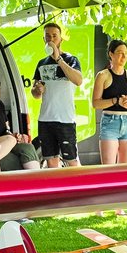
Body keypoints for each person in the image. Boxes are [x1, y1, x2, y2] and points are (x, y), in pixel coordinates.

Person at [30, 22, 84, 167]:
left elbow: (78, 80)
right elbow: (35, 93)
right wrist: (37, 89)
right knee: (50, 159)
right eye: (48, 36)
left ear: (61, 39)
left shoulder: (71, 59)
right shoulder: (41, 63)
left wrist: (58, 58)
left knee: (71, 159)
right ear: (44, 40)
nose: (51, 39)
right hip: (45, 119)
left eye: (55, 36)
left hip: (65, 119)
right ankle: (57, 188)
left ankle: (79, 187)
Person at [92, 39, 127, 164]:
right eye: (120, 53)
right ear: (111, 54)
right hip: (110, 122)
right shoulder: (103, 75)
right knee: (108, 167)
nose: (124, 56)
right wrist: (116, 101)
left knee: (125, 168)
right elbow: (96, 103)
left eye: (126, 53)